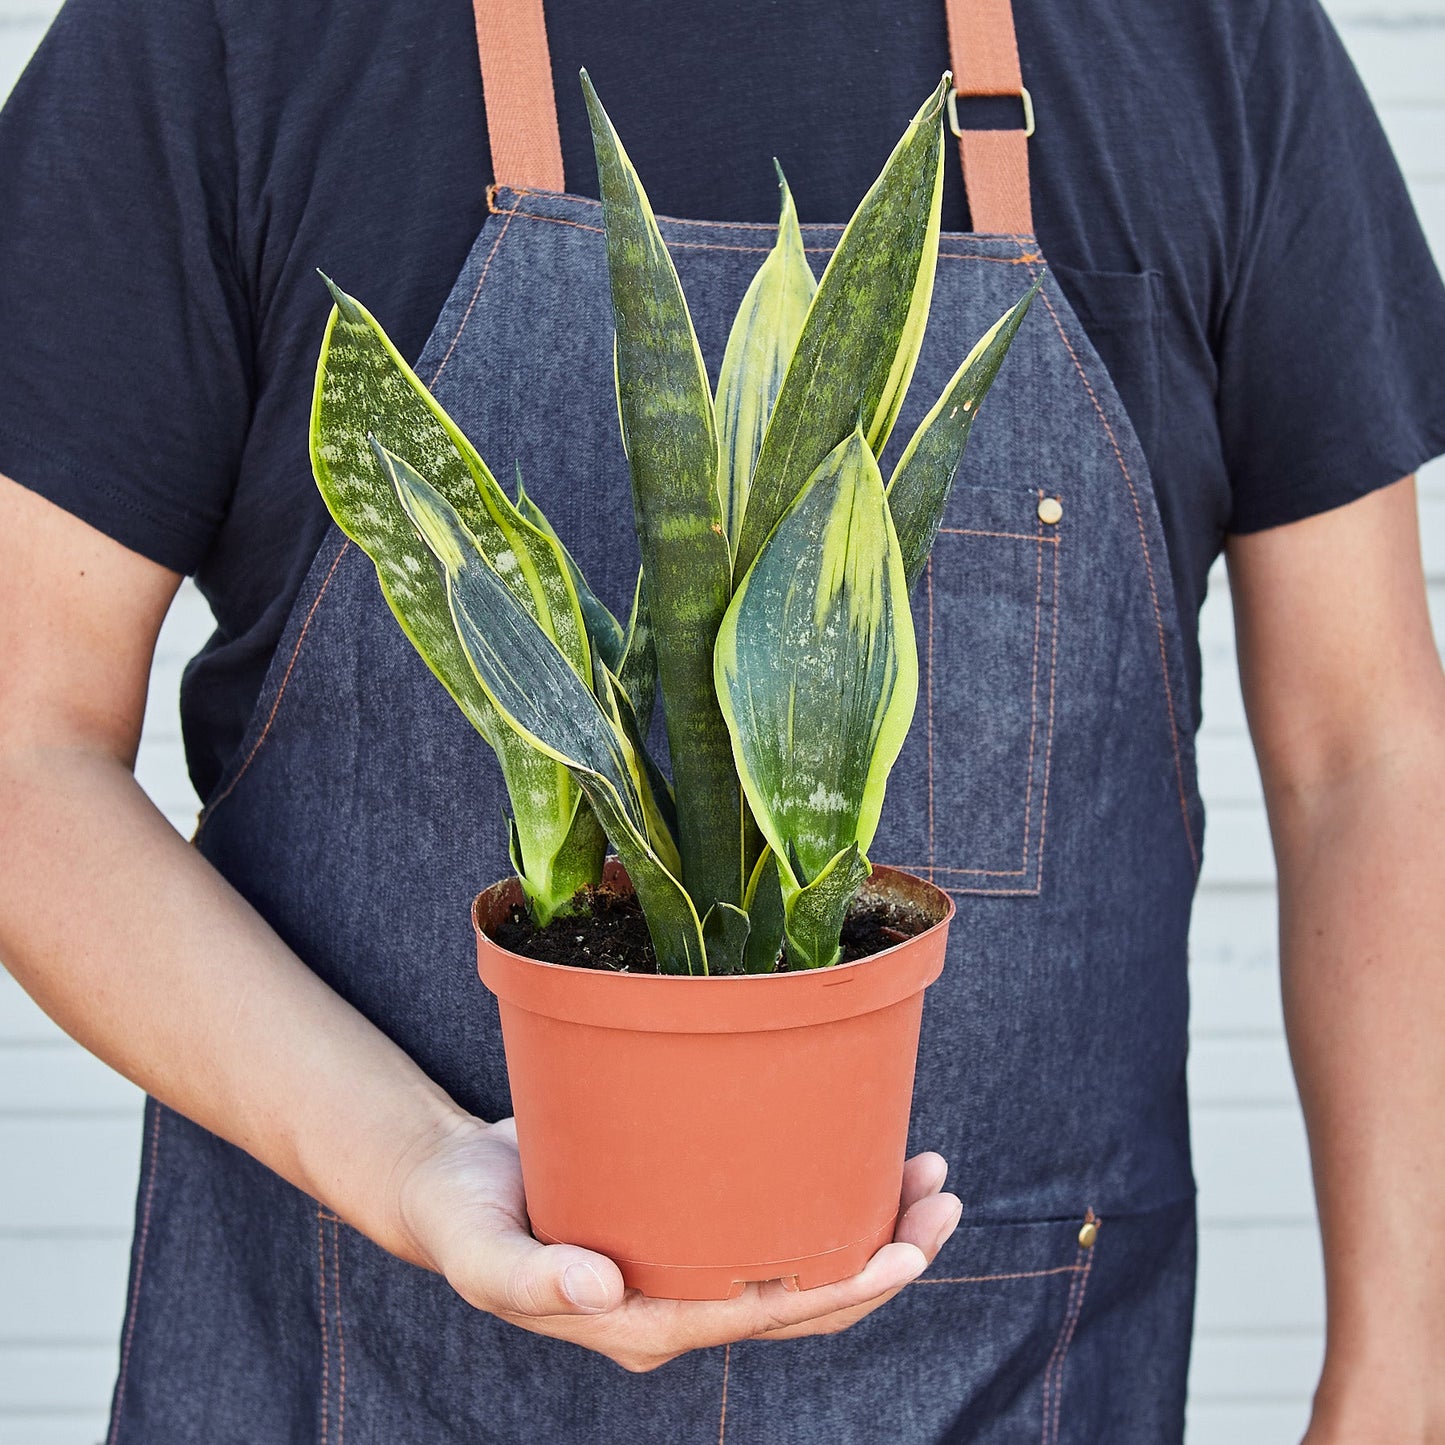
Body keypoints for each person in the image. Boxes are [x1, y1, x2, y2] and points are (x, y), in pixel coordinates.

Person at [1, 0, 1443, 1438]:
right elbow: (23, 744)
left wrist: (1397, 1393)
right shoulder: (225, 37)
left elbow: (1364, 754)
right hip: (350, 1379)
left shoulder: (1204, 37)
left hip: (1015, 1383)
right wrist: (409, 1160)